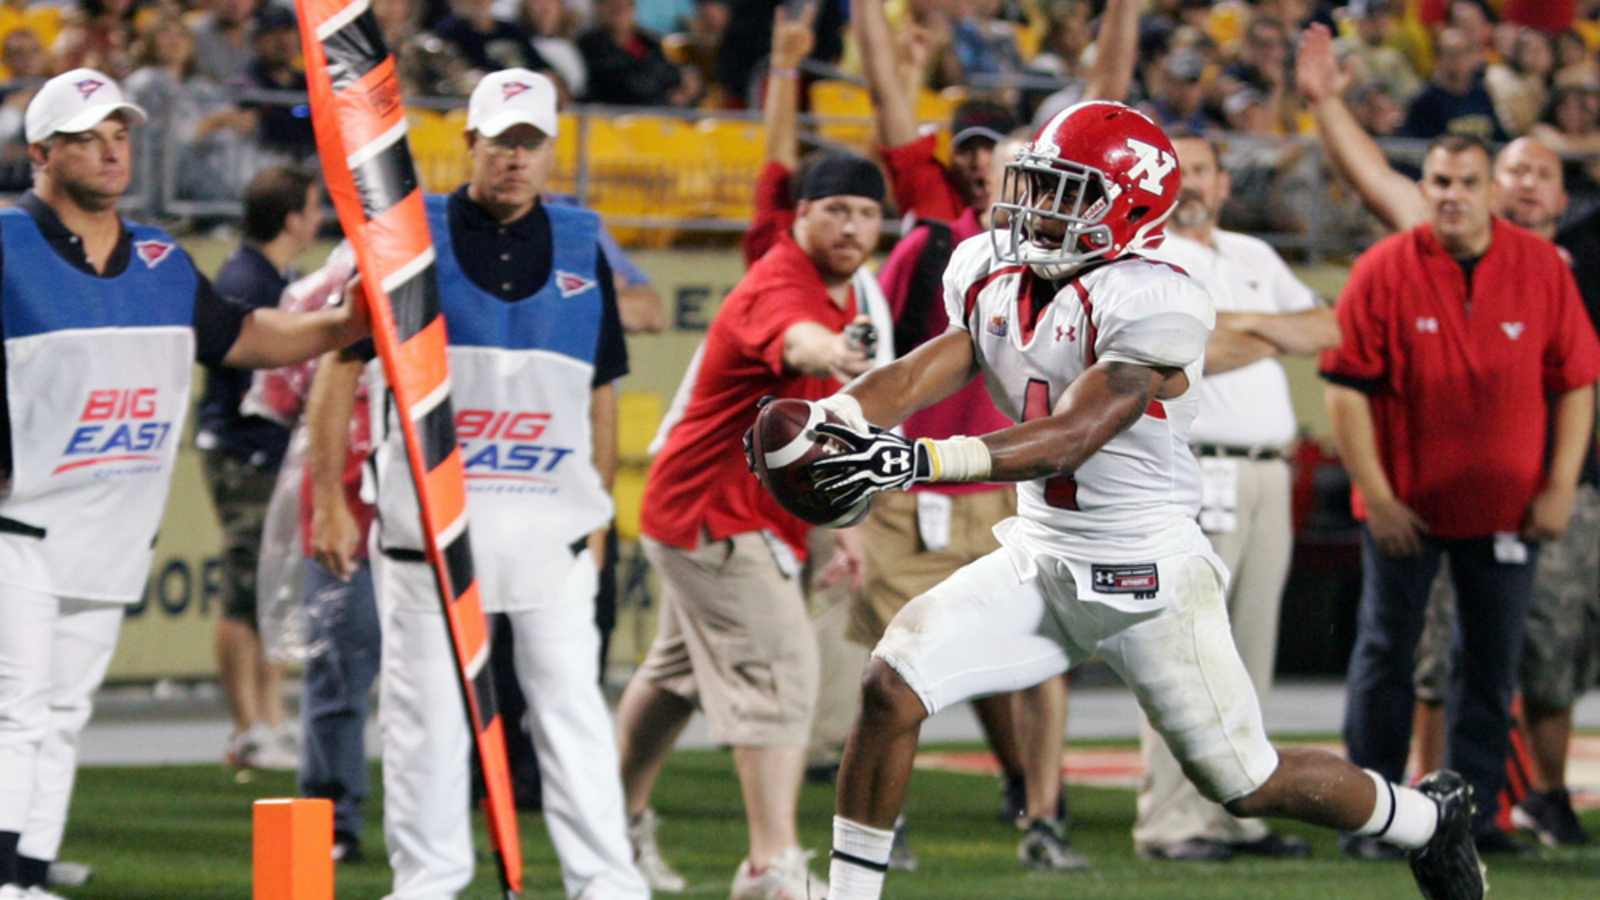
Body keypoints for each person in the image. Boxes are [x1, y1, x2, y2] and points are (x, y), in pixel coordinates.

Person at [797, 100, 1485, 900]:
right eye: (1040, 186)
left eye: (1067, 192)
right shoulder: (991, 267)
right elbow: (929, 365)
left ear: (1125, 209)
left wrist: (916, 458)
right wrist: (834, 417)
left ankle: (1428, 820)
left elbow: (1074, 432)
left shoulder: (1158, 297)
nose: (1037, 209)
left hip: (1146, 576)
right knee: (890, 685)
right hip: (1039, 556)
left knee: (1247, 779)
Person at [0, 67, 365, 899]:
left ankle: (26, 875)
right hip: (17, 524)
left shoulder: (161, 257)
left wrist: (340, 325)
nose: (112, 149)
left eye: (120, 133)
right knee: (16, 712)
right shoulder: (5, 243)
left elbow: (244, 335)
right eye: (89, 136)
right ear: (41, 153)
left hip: (112, 526)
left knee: (61, 715)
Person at [307, 68, 646, 900]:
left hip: (551, 533)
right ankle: (428, 881)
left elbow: (600, 392)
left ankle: (606, 882)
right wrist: (328, 499)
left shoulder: (581, 246)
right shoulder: (401, 237)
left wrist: (599, 511)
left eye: (531, 143)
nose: (516, 159)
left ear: (551, 149)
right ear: (471, 142)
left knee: (571, 718)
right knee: (425, 722)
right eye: (503, 142)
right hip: (426, 532)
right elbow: (337, 371)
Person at [851, 0, 1139, 870]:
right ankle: (891, 816)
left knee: (1040, 655)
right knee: (909, 655)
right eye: (969, 147)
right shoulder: (935, 219)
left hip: (1007, 475)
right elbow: (886, 98)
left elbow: (1110, 96)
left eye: (997, 148)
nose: (982, 163)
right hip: (919, 474)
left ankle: (1041, 813)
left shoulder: (1068, 233)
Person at [1301, 21, 1600, 848]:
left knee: (1490, 668)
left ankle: (1473, 815)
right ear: (1424, 184)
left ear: (1492, 191)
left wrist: (1554, 487)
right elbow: (1347, 390)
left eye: (1468, 180)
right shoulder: (1384, 267)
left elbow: (1576, 382)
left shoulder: (1543, 269)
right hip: (1404, 511)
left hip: (1509, 511)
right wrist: (1382, 497)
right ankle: (1372, 816)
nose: (1452, 193)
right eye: (1439, 180)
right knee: (1386, 659)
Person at [614, 152, 885, 900]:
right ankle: (772, 868)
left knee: (672, 679)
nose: (851, 225)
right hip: (713, 513)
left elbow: (823, 421)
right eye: (835, 209)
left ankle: (609, 825)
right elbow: (799, 344)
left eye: (864, 212)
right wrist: (834, 351)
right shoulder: (781, 283)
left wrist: (847, 526)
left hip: (715, 509)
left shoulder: (842, 287)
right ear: (801, 214)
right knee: (783, 673)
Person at [1132, 131, 1338, 862]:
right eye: (1178, 172)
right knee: (1184, 647)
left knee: (1251, 651)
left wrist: (1239, 328)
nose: (1192, 184)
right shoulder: (1145, 255)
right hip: (1193, 470)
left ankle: (1241, 810)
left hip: (1266, 471)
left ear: (1224, 183)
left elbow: (1328, 326)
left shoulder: (1253, 254)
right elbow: (1190, 354)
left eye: (1204, 171)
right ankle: (1172, 821)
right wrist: (1270, 336)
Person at [197, 165, 325, 771]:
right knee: (245, 591)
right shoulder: (249, 279)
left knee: (267, 589)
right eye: (313, 206)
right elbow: (257, 376)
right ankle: (246, 727)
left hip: (263, 451)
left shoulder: (276, 274)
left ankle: (269, 721)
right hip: (244, 449)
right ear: (292, 217)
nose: (320, 217)